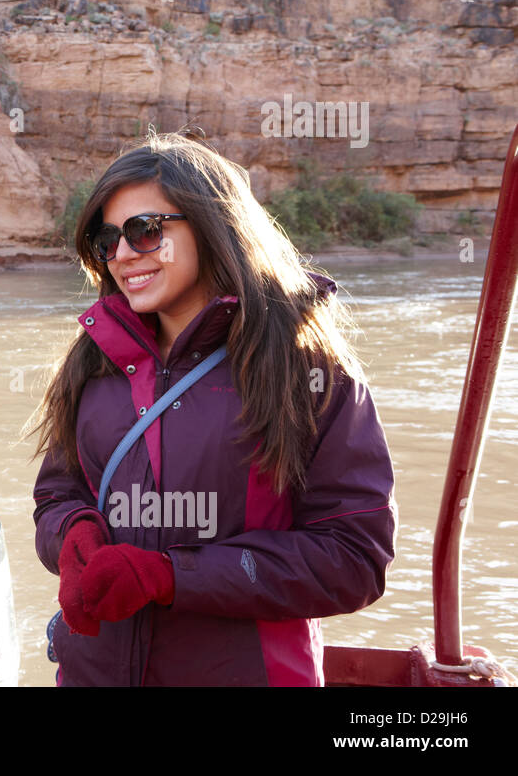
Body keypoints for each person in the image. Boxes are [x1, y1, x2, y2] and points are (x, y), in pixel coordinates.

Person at [26, 129, 396, 686]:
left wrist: (171, 576)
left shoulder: (305, 369)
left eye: (146, 231)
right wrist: (74, 534)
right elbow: (57, 494)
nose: (123, 255)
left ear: (212, 227)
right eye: (108, 240)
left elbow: (353, 559)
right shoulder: (92, 362)